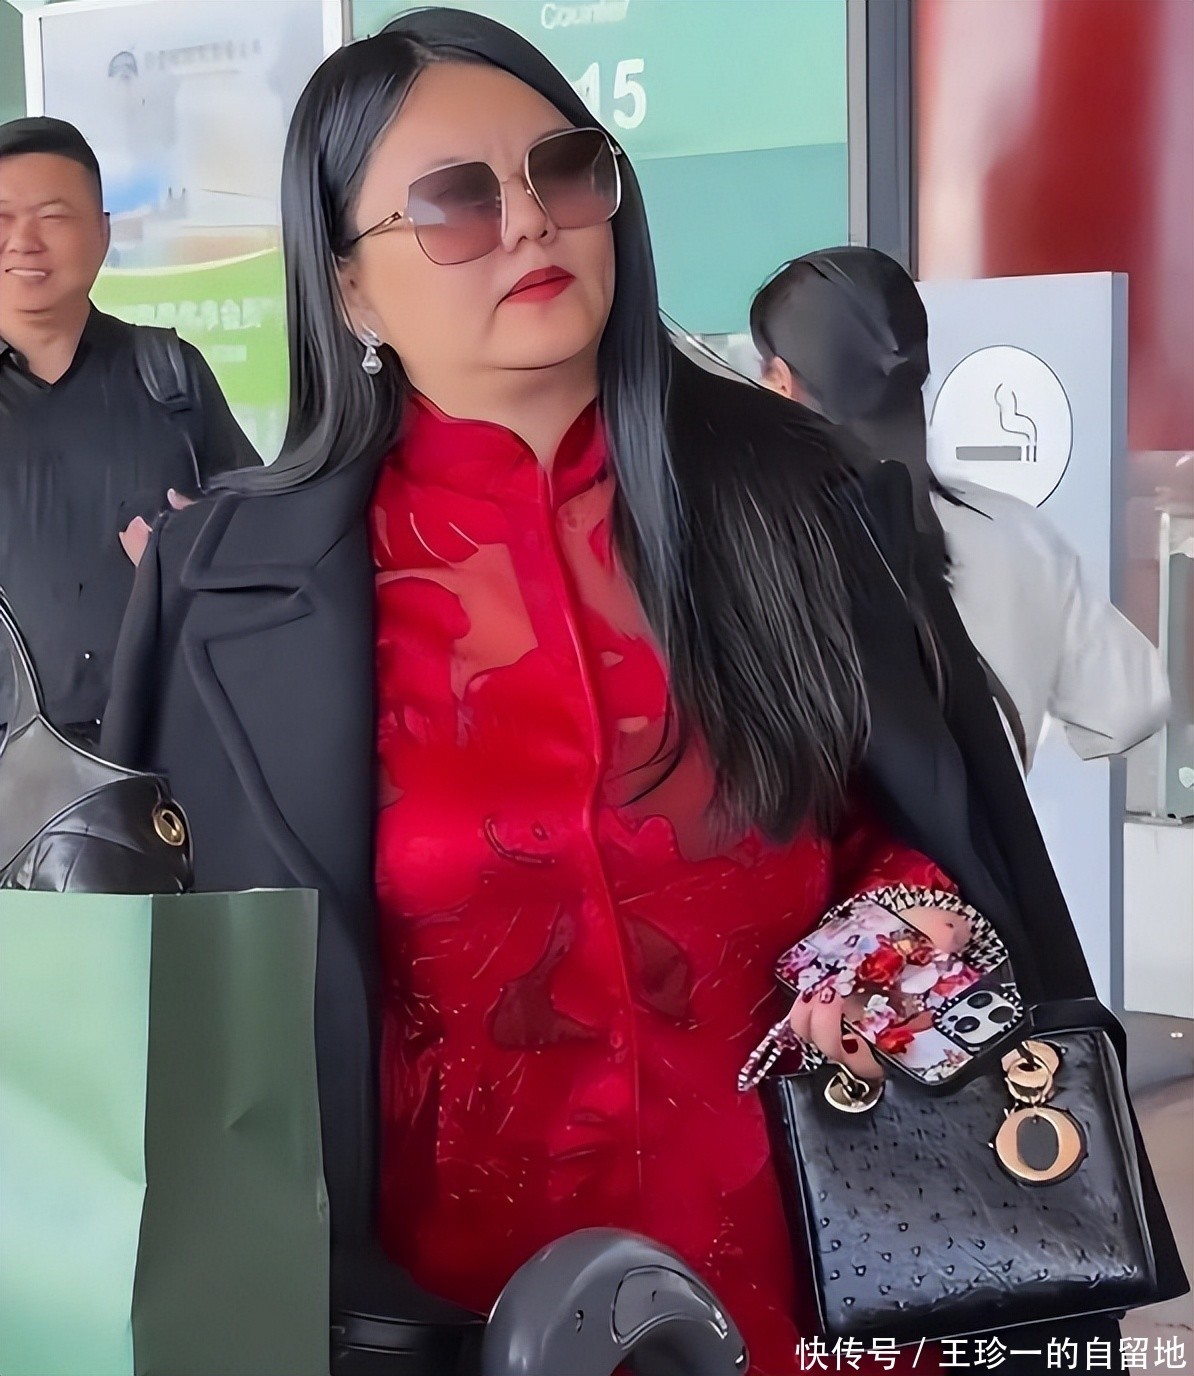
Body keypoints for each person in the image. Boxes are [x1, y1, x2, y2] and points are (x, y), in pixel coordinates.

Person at [101, 12, 1185, 1374]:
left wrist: (906, 920)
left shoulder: (807, 500)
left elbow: (919, 823)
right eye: (453, 202)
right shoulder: (226, 587)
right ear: (348, 286)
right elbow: (175, 1029)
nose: (529, 223)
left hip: (831, 1281)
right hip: (436, 1319)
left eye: (566, 171)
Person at [750, 246, 1169, 772]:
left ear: (781, 385)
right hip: (990, 828)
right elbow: (1130, 706)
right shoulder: (1014, 532)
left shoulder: (755, 547)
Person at [0, 116, 259, 748]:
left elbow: (260, 550)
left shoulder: (170, 374)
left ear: (103, 233)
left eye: (52, 217)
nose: (24, 242)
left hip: (165, 753)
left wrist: (197, 557)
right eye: (2, 218)